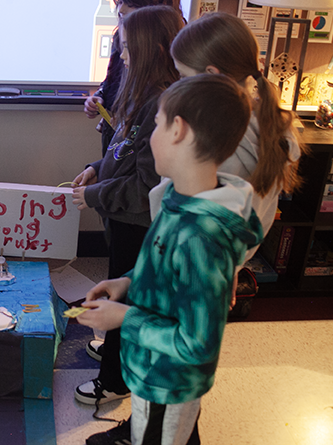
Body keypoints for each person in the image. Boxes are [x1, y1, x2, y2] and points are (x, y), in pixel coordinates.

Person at [77, 74, 263, 445]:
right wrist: (127, 281)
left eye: (157, 124)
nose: (151, 136)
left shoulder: (203, 236)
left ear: (178, 130)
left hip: (171, 380)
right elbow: (161, 260)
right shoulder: (180, 195)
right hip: (153, 367)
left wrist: (124, 317)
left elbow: (197, 344)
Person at [71, 5, 183, 407]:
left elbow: (145, 185)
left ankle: (114, 379)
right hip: (122, 219)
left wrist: (95, 195)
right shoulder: (142, 95)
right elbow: (123, 151)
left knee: (124, 298)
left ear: (151, 49)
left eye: (126, 49)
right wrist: (95, 169)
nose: (121, 57)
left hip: (137, 223)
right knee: (120, 293)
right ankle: (118, 352)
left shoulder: (162, 105)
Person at [168, 12, 305, 265]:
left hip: (194, 267)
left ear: (211, 74)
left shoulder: (219, 141)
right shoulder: (267, 122)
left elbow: (181, 215)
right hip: (223, 265)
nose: (180, 85)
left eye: (183, 76)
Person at [84, 0, 178, 155]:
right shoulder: (120, 34)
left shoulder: (158, 101)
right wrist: (101, 95)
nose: (121, 8)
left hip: (135, 128)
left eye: (128, 2)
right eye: (119, 2)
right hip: (117, 130)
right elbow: (112, 77)